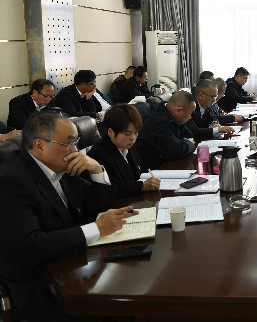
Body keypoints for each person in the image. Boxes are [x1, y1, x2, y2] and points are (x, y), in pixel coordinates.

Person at [0, 112, 136, 320]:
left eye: (77, 143)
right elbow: (30, 246)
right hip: (42, 286)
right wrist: (97, 228)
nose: (76, 151)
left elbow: (96, 208)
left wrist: (97, 169)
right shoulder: (11, 181)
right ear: (39, 145)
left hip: (74, 264)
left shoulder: (63, 166)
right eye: (69, 143)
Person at [88, 104, 161, 197]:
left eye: (136, 132)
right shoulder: (98, 155)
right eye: (128, 133)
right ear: (110, 132)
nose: (133, 138)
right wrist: (141, 186)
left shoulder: (128, 146)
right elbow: (111, 188)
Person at [135, 90, 197, 170]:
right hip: (152, 170)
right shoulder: (158, 122)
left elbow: (190, 135)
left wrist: (183, 143)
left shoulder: (174, 117)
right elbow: (176, 151)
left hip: (167, 164)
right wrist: (189, 144)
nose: (190, 117)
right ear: (179, 110)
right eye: (190, 113)